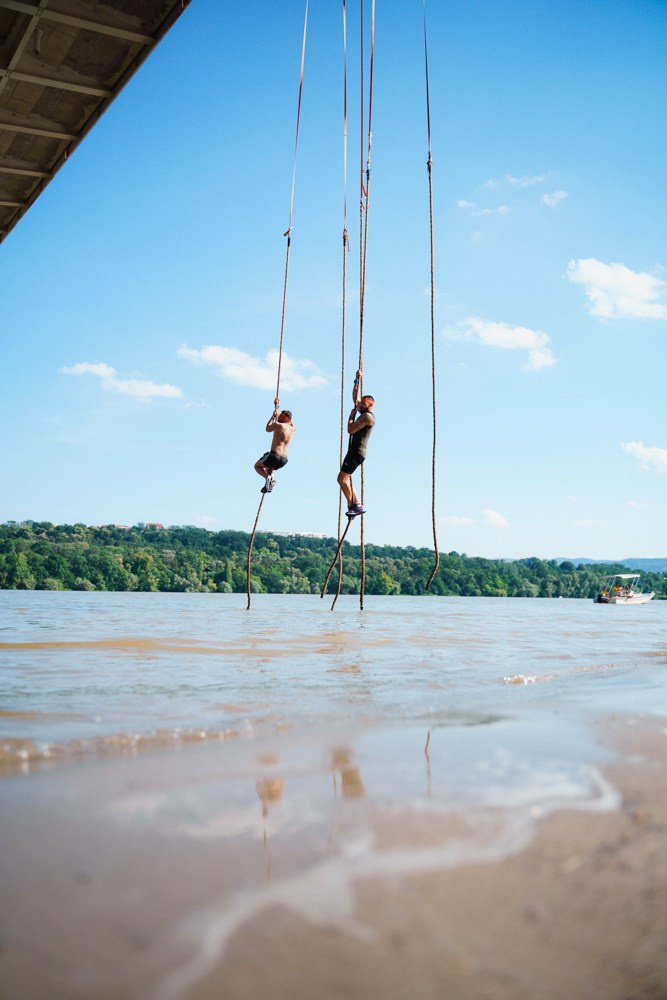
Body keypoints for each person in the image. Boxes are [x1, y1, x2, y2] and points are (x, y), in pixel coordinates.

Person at [337, 369, 374, 518]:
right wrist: (356, 380)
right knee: (347, 478)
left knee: (341, 479)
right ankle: (355, 504)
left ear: (370, 405)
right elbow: (355, 398)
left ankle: (354, 505)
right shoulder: (363, 411)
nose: (359, 405)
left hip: (356, 452)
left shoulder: (367, 417)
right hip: (355, 452)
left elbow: (350, 429)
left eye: (363, 404)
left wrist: (351, 417)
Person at [254, 399, 294, 493]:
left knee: (257, 466)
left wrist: (272, 417)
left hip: (274, 455)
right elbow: (287, 419)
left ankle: (268, 477)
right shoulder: (293, 429)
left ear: (285, 419)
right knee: (269, 467)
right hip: (283, 460)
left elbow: (267, 428)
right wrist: (277, 406)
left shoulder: (278, 425)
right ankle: (270, 480)